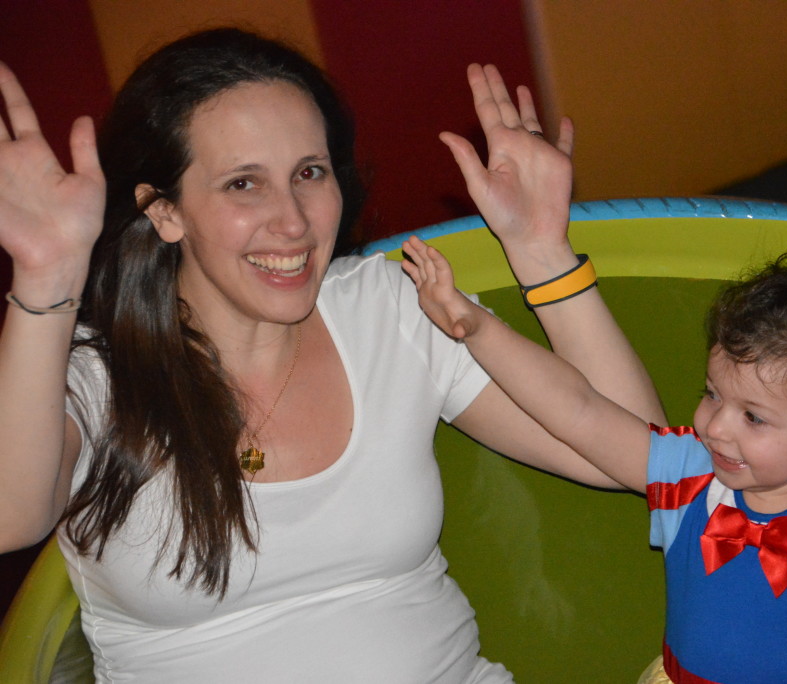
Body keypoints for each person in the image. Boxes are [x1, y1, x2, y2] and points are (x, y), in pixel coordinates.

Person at [0, 28, 665, 682]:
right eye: (242, 184)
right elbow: (11, 516)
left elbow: (640, 459)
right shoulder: (96, 375)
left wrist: (542, 252)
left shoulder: (392, 308)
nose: (293, 222)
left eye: (309, 173)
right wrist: (45, 281)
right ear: (166, 212)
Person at [402, 224, 787, 683]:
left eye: (753, 416)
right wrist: (477, 329)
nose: (715, 426)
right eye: (711, 394)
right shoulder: (687, 476)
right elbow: (579, 411)